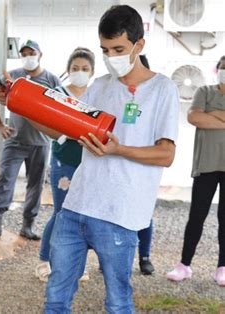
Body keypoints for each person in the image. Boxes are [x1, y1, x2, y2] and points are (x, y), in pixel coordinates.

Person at [44, 5, 180, 313]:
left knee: (118, 302)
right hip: (76, 208)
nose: (111, 56)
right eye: (105, 50)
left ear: (139, 45)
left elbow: (166, 154)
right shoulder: (100, 86)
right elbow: (61, 130)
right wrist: (19, 102)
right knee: (55, 299)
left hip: (119, 216)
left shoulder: (162, 89)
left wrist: (118, 150)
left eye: (118, 49)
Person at [0, 40, 61, 240]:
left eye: (31, 53)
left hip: (40, 142)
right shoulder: (12, 76)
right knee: (5, 179)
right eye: (24, 53)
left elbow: (59, 108)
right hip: (15, 140)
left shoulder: (51, 79)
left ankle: (28, 226)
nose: (27, 57)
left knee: (36, 184)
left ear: (40, 54)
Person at [32, 47, 96, 282]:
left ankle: (77, 264)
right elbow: (51, 125)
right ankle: (44, 259)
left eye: (85, 69)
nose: (80, 72)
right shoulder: (59, 93)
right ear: (68, 71)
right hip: (64, 162)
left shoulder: (95, 95)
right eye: (75, 69)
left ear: (92, 72)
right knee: (62, 213)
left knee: (83, 215)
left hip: (89, 163)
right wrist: (74, 130)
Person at [166, 55, 225, 286]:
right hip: (206, 165)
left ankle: (222, 266)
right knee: (196, 216)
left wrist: (213, 116)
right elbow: (194, 117)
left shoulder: (209, 100)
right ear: (217, 69)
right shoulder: (204, 91)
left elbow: (204, 117)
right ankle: (184, 264)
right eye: (223, 67)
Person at [136, 54, 155, 276]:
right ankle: (107, 257)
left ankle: (144, 256)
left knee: (144, 214)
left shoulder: (154, 96)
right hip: (116, 162)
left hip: (144, 164)